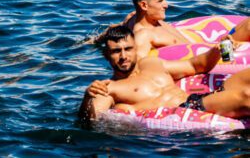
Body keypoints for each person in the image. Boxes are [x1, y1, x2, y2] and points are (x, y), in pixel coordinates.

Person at [79, 25, 250, 122]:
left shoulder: (151, 63)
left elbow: (196, 65)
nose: (124, 56)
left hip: (201, 98)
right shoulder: (109, 88)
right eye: (116, 51)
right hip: (187, 110)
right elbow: (92, 122)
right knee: (247, 96)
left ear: (136, 49)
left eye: (128, 49)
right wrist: (87, 98)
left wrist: (218, 50)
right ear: (106, 55)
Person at [123, 0, 189, 58]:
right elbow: (136, 65)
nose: (166, 5)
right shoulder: (144, 35)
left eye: (164, 0)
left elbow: (115, 27)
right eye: (160, 1)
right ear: (144, 5)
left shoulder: (132, 17)